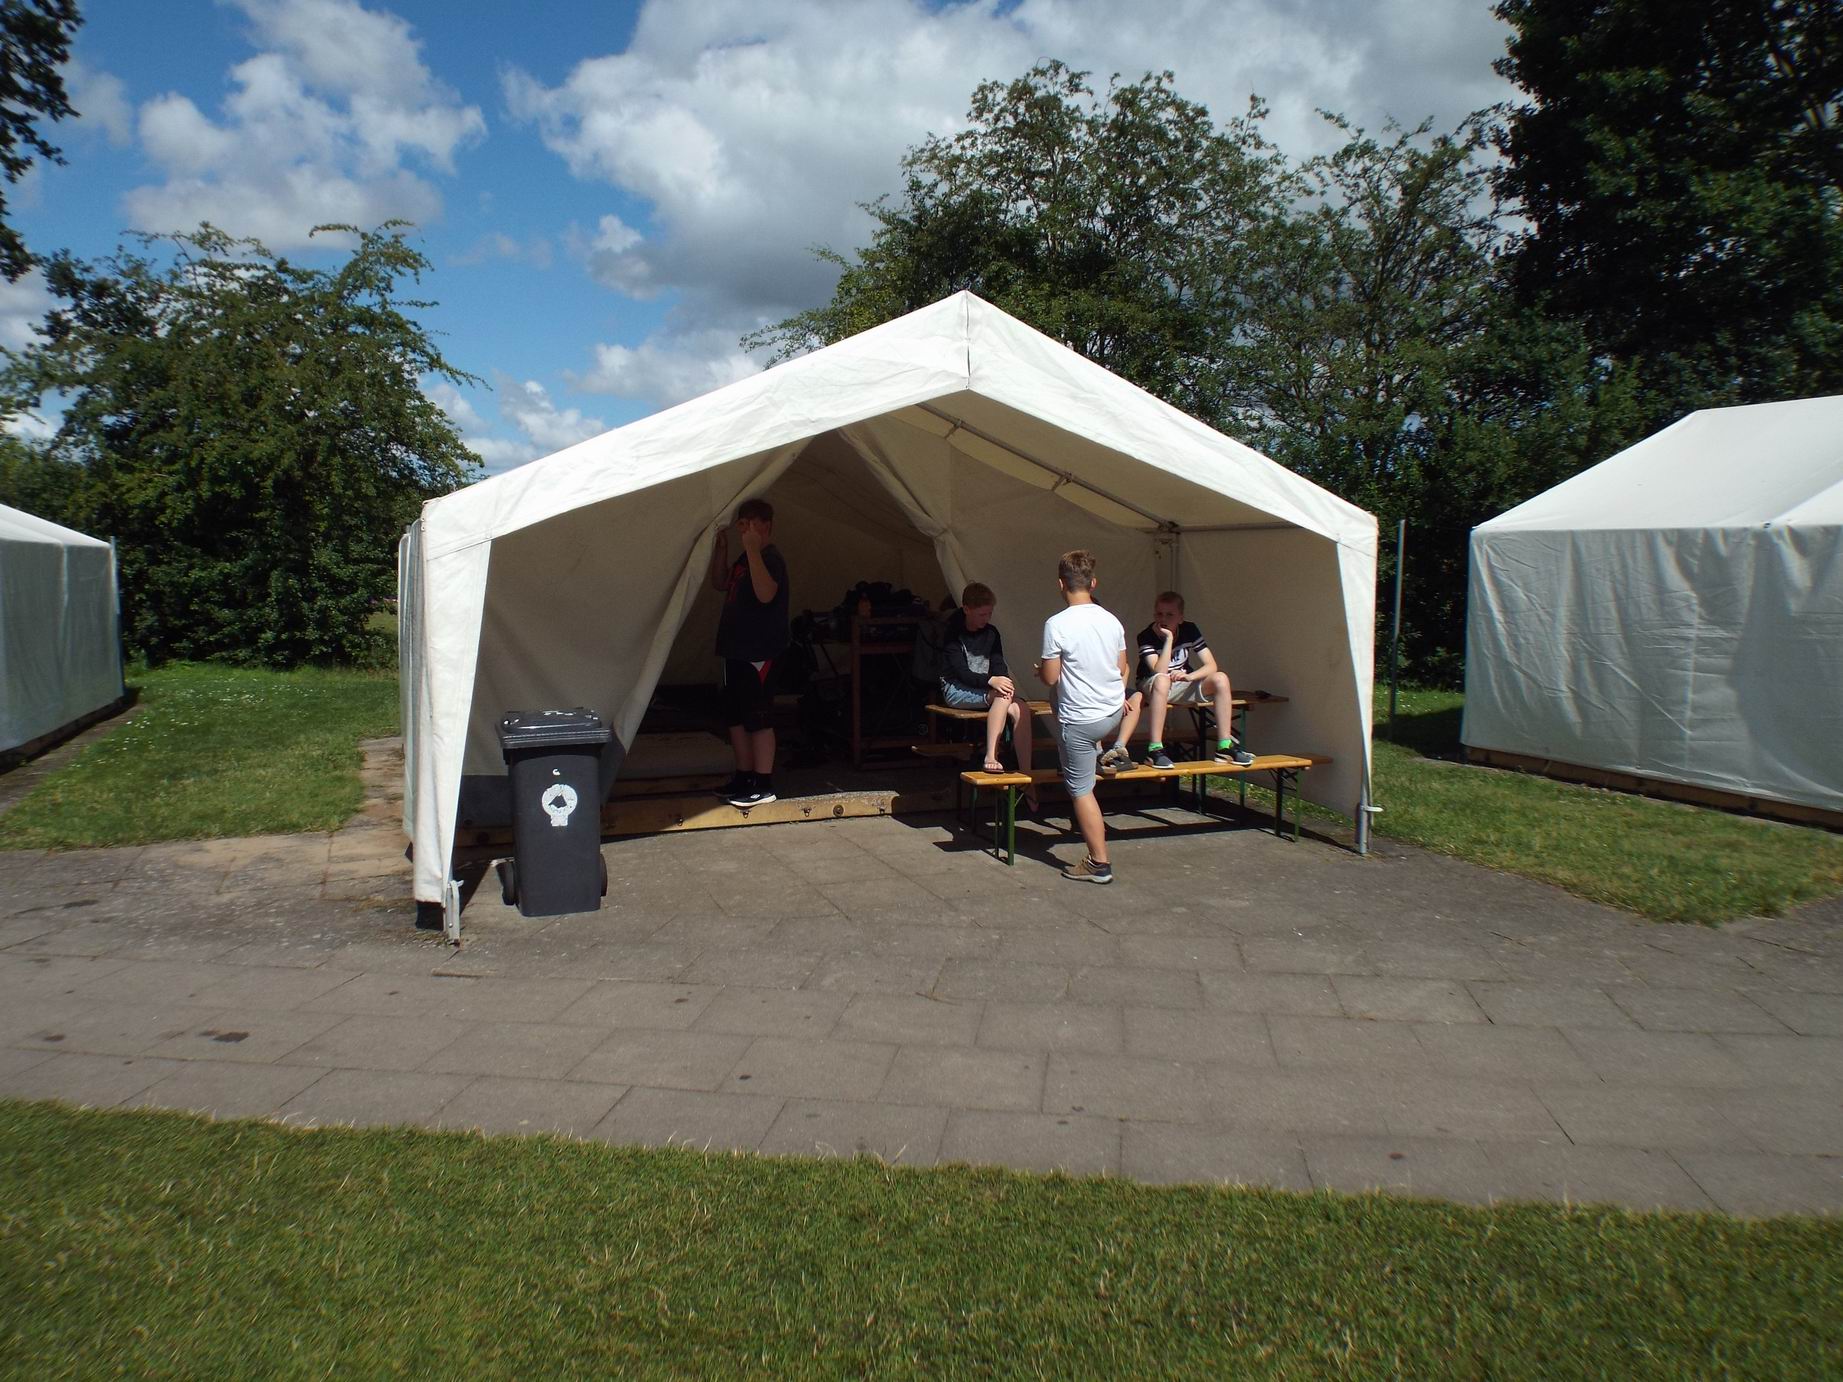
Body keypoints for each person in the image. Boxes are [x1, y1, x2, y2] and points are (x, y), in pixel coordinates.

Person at [1035, 549, 1129, 884]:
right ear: (1093, 583)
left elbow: (1050, 677)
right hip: (1112, 712)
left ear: (1061, 584)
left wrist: (1041, 669)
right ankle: (1095, 753)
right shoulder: (1111, 620)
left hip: (1080, 720)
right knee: (1083, 758)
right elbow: (1120, 667)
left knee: (1081, 790)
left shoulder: (1056, 624)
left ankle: (1098, 862)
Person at [1101, 591, 1254, 771]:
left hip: (1181, 684)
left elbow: (1211, 665)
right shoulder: (1146, 636)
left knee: (1221, 679)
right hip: (1152, 685)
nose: (1163, 619)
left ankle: (1224, 745)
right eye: (1159, 614)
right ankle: (1155, 749)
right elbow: (1159, 670)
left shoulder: (1190, 629)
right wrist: (1169, 639)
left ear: (1181, 618)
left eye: (1169, 615)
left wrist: (1190, 676)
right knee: (1162, 680)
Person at [709, 498, 790, 807]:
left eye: (752, 524)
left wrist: (754, 549)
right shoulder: (746, 558)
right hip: (736, 649)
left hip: (760, 651)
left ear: (766, 526)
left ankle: (763, 782)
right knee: (736, 717)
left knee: (758, 717)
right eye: (742, 525)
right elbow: (720, 582)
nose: (745, 530)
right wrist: (723, 551)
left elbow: (766, 593)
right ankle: (744, 775)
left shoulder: (770, 558)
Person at [939, 581, 1037, 811]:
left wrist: (1003, 681)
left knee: (1020, 707)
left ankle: (1027, 775)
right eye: (982, 614)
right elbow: (961, 672)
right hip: (957, 688)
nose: (986, 619)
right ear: (967, 609)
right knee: (1002, 698)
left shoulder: (992, 633)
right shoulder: (953, 634)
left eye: (989, 614)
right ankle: (991, 755)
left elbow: (998, 663)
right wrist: (992, 682)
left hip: (986, 688)